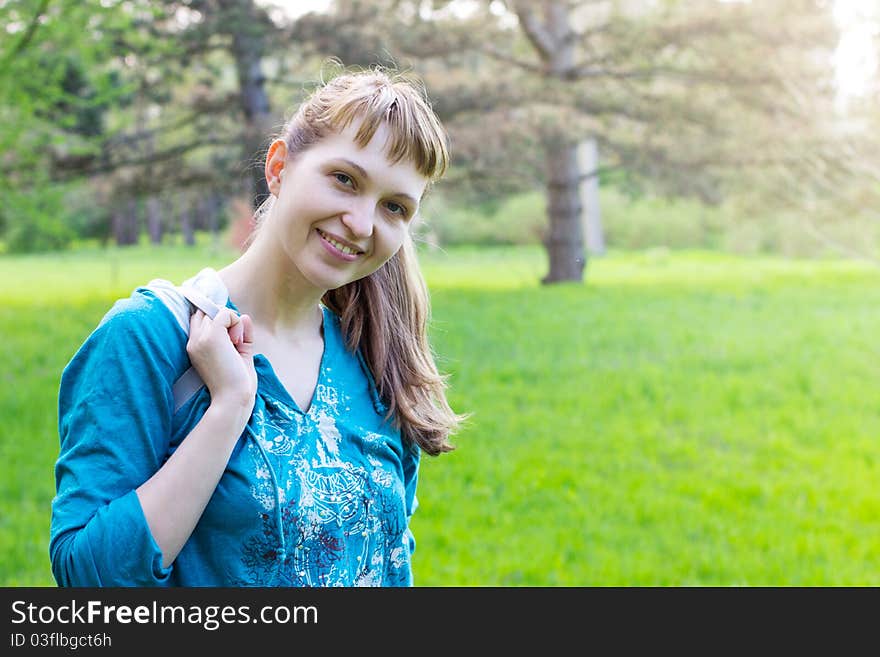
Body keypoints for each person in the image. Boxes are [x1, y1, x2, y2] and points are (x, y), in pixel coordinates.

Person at [50, 67, 464, 587]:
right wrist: (228, 408)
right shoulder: (151, 338)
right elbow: (89, 581)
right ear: (278, 167)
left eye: (394, 207)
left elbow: (390, 566)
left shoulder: (377, 360)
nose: (361, 222)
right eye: (344, 179)